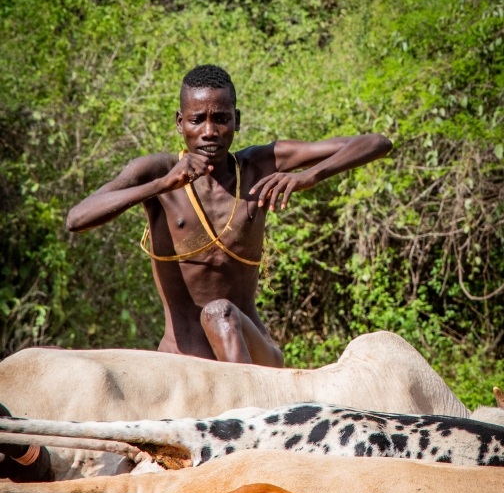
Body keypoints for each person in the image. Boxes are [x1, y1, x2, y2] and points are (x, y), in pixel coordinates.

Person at [67, 65, 392, 367]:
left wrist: (309, 176)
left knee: (218, 314)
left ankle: (243, 415)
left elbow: (376, 142)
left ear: (236, 119)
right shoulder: (157, 171)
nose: (210, 131)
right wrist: (162, 184)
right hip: (181, 361)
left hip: (251, 357)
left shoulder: (259, 165)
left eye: (221, 118)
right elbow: (77, 219)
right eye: (198, 120)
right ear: (180, 122)